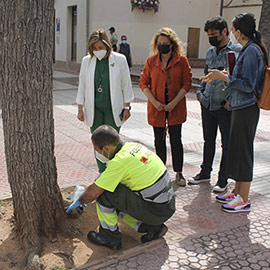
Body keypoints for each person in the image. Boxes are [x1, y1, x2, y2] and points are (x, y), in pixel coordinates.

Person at [66, 125, 175, 250]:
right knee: (115, 199)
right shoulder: (133, 147)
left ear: (106, 148)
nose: (97, 153)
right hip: (166, 206)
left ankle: (110, 238)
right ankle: (152, 228)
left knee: (105, 196)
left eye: (97, 150)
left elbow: (93, 194)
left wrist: (79, 201)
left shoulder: (119, 162)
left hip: (155, 210)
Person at [201, 13, 268, 213]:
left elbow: (248, 85)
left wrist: (222, 77)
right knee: (238, 151)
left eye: (233, 29)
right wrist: (221, 76)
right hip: (240, 107)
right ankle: (238, 193)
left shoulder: (251, 51)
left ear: (238, 32)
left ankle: (244, 199)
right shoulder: (249, 49)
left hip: (246, 107)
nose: (232, 33)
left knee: (244, 152)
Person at [188, 16, 242, 193]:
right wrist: (200, 94)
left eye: (214, 34)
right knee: (208, 140)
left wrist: (230, 101)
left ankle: (223, 178)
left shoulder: (236, 51)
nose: (211, 37)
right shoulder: (211, 52)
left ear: (225, 32)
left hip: (224, 107)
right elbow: (206, 74)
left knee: (226, 143)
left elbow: (238, 79)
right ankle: (205, 172)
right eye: (209, 34)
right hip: (207, 104)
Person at [139, 27, 192, 187]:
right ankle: (160, 172)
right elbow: (143, 83)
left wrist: (174, 103)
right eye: (159, 43)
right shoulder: (151, 62)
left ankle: (179, 172)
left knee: (176, 140)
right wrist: (155, 102)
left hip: (175, 108)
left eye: (165, 43)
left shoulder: (181, 60)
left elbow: (187, 83)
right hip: (157, 109)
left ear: (172, 44)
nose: (162, 46)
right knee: (159, 141)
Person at [76, 29, 134, 173]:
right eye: (94, 48)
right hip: (94, 109)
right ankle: (102, 173)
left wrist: (127, 107)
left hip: (113, 108)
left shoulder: (119, 59)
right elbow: (82, 84)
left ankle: (115, 172)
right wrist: (80, 108)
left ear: (107, 46)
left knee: (112, 142)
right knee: (98, 142)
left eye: (100, 47)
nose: (97, 50)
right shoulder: (87, 61)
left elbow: (125, 83)